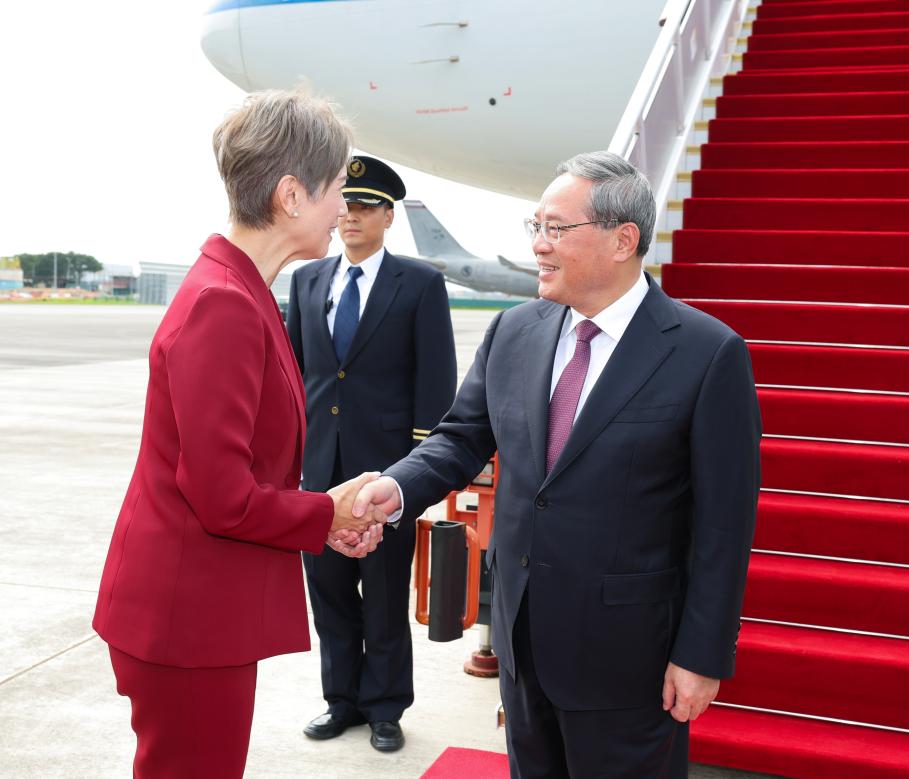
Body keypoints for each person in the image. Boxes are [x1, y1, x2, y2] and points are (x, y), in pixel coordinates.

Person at [353, 151, 762, 777]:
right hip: (522, 643)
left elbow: (723, 526)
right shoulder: (513, 332)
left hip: (630, 661)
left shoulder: (707, 353)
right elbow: (461, 439)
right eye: (535, 226)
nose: (538, 245)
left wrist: (702, 655)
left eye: (556, 228)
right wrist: (396, 487)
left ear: (623, 239)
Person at [92, 89, 389, 779]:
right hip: (185, 620)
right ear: (291, 195)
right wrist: (326, 512)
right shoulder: (223, 304)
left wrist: (323, 516)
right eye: (337, 189)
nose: (343, 209)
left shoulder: (243, 290)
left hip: (199, 611)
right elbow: (223, 497)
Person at [287, 155, 457, 751]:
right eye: (346, 206)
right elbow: (296, 375)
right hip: (318, 471)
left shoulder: (420, 283)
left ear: (388, 217)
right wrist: (292, 462)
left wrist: (417, 471)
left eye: (365, 207)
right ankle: (342, 701)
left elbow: (435, 381)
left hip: (385, 473)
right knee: (329, 594)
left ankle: (385, 707)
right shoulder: (307, 280)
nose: (351, 217)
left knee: (383, 595)